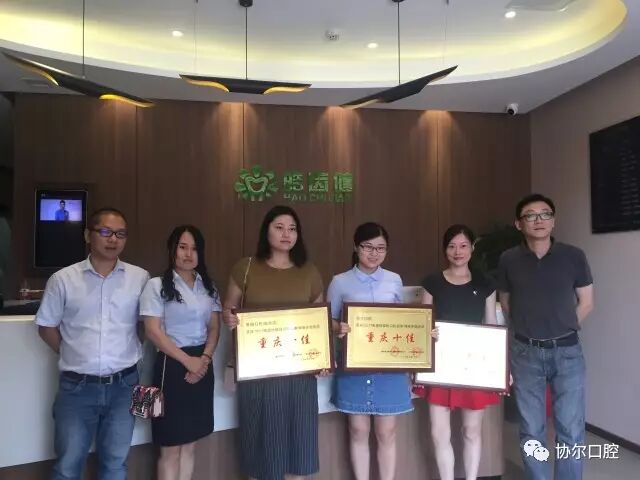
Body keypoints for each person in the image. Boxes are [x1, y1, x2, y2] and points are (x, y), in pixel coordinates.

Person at [35, 207, 149, 480]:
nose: (113, 239)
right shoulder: (63, 279)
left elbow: (145, 326)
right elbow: (46, 327)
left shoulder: (140, 278)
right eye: (106, 232)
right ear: (88, 235)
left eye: (120, 234)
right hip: (77, 387)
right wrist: (73, 352)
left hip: (125, 386)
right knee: (67, 467)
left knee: (115, 464)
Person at [222, 205, 324, 480]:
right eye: (279, 227)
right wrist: (229, 318)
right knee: (259, 444)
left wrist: (323, 358)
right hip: (258, 373)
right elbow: (228, 308)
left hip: (299, 375)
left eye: (292, 229)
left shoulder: (309, 271)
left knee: (299, 444)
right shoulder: (246, 267)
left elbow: (318, 320)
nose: (286, 234)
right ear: (266, 230)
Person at [498, 193, 594, 480]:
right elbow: (506, 302)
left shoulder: (573, 256)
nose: (538, 220)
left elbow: (587, 302)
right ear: (519, 224)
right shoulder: (508, 259)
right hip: (525, 353)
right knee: (531, 429)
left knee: (571, 429)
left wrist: (560, 326)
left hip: (568, 351)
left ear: (553, 220)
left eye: (545, 214)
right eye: (530, 215)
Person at [328, 222, 426, 480]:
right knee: (358, 431)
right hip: (354, 367)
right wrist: (339, 327)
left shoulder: (394, 280)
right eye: (368, 247)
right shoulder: (339, 282)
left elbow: (402, 322)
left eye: (380, 248)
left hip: (389, 367)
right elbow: (327, 320)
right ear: (356, 247)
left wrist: (422, 336)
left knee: (387, 432)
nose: (374, 253)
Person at [413, 224, 500, 480]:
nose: (457, 251)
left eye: (463, 246)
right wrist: (428, 333)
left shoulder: (486, 284)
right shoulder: (432, 283)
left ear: (472, 248)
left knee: (471, 431)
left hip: (474, 365)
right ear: (445, 250)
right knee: (439, 433)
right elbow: (423, 324)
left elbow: (491, 325)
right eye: (451, 246)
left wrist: (500, 366)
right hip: (441, 365)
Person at [140, 225, 221, 480]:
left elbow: (215, 327)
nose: (188, 254)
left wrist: (204, 359)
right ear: (172, 250)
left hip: (203, 363)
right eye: (182, 247)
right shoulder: (156, 285)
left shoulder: (208, 286)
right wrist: (189, 362)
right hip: (171, 366)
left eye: (194, 249)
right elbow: (152, 331)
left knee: (190, 443)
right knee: (170, 445)